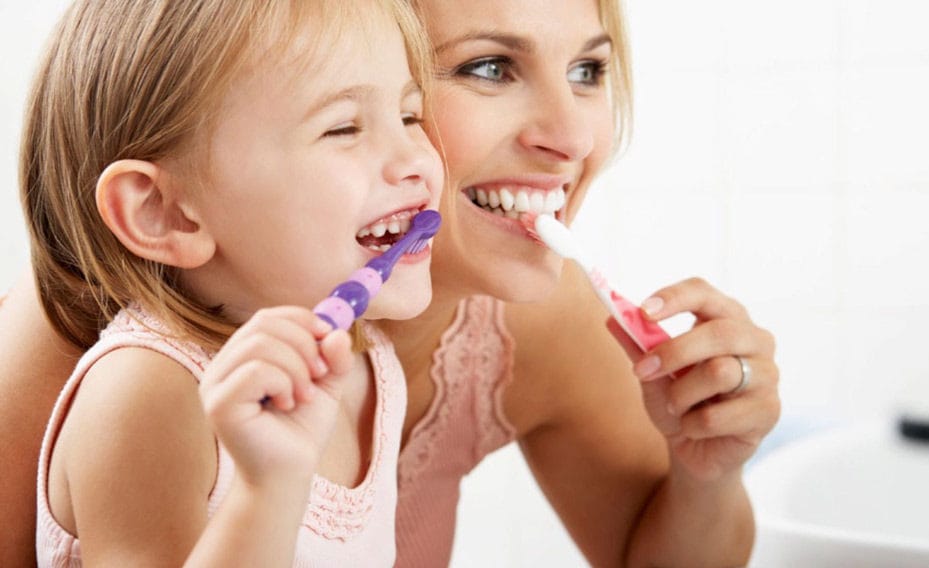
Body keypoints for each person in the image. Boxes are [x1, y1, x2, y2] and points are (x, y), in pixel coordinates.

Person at [1, 0, 781, 566]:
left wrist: (706, 471)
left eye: (589, 69)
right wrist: (269, 489)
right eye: (487, 66)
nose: (574, 137)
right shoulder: (135, 377)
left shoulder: (372, 358)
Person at [18, 0, 442, 565]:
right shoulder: (147, 395)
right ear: (165, 213)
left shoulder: (369, 361)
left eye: (410, 115)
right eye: (343, 127)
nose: (415, 157)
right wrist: (268, 492)